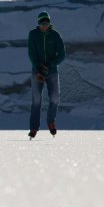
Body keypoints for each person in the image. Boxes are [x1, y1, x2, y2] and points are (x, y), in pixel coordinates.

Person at [27, 10, 66, 139]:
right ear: (38, 23)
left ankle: (51, 121)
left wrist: (49, 65)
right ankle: (33, 128)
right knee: (36, 100)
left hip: (52, 71)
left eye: (47, 22)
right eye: (42, 23)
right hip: (37, 71)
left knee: (54, 98)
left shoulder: (55, 35)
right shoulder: (33, 35)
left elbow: (62, 54)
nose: (45, 25)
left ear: (49, 23)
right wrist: (38, 68)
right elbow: (31, 53)